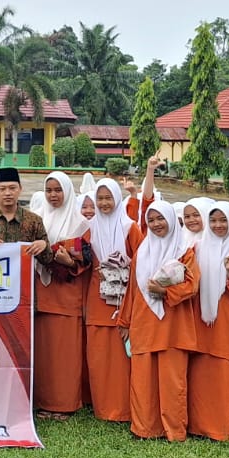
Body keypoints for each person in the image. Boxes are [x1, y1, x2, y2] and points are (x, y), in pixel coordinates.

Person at [117, 200, 200, 441]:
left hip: (173, 324)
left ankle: (173, 430)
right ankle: (144, 428)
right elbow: (132, 290)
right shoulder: (143, 250)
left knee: (172, 381)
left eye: (160, 218)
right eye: (151, 220)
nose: (156, 224)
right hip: (143, 323)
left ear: (172, 220)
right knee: (142, 379)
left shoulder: (184, 250)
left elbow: (192, 285)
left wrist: (165, 292)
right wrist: (125, 322)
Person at [32, 172, 93, 420]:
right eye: (49, 190)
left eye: (58, 190)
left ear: (68, 191)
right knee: (44, 354)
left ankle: (65, 404)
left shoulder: (81, 223)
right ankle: (43, 402)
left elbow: (88, 260)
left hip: (67, 297)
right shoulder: (37, 221)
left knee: (65, 354)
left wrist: (69, 261)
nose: (53, 195)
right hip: (41, 296)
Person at [188, 201, 229, 443]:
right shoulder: (198, 247)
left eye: (223, 220)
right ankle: (199, 426)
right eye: (213, 220)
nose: (218, 225)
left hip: (228, 319)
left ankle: (225, 429)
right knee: (201, 370)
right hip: (201, 319)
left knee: (225, 370)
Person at [83, 177, 139, 423]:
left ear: (117, 199)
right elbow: (80, 259)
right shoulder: (89, 228)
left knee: (121, 358)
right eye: (100, 199)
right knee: (99, 356)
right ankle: (103, 409)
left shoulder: (130, 228)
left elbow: (141, 262)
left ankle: (124, 409)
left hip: (124, 301)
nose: (104, 203)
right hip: (96, 300)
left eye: (108, 198)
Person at [0, 168, 54, 269]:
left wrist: (43, 245)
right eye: (2, 189)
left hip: (23, 280)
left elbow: (48, 260)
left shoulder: (34, 220)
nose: (7, 193)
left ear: (20, 189)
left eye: (12, 188)